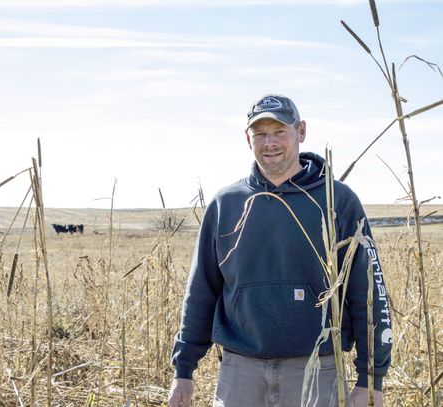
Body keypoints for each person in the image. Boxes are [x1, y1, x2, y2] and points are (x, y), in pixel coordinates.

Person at [168, 94, 392, 407]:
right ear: (248, 139)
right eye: (260, 134)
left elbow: (367, 292)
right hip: (239, 372)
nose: (269, 142)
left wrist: (371, 379)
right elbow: (201, 291)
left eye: (279, 132)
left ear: (301, 132)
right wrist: (183, 370)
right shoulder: (226, 205)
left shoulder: (336, 201)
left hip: (316, 370)